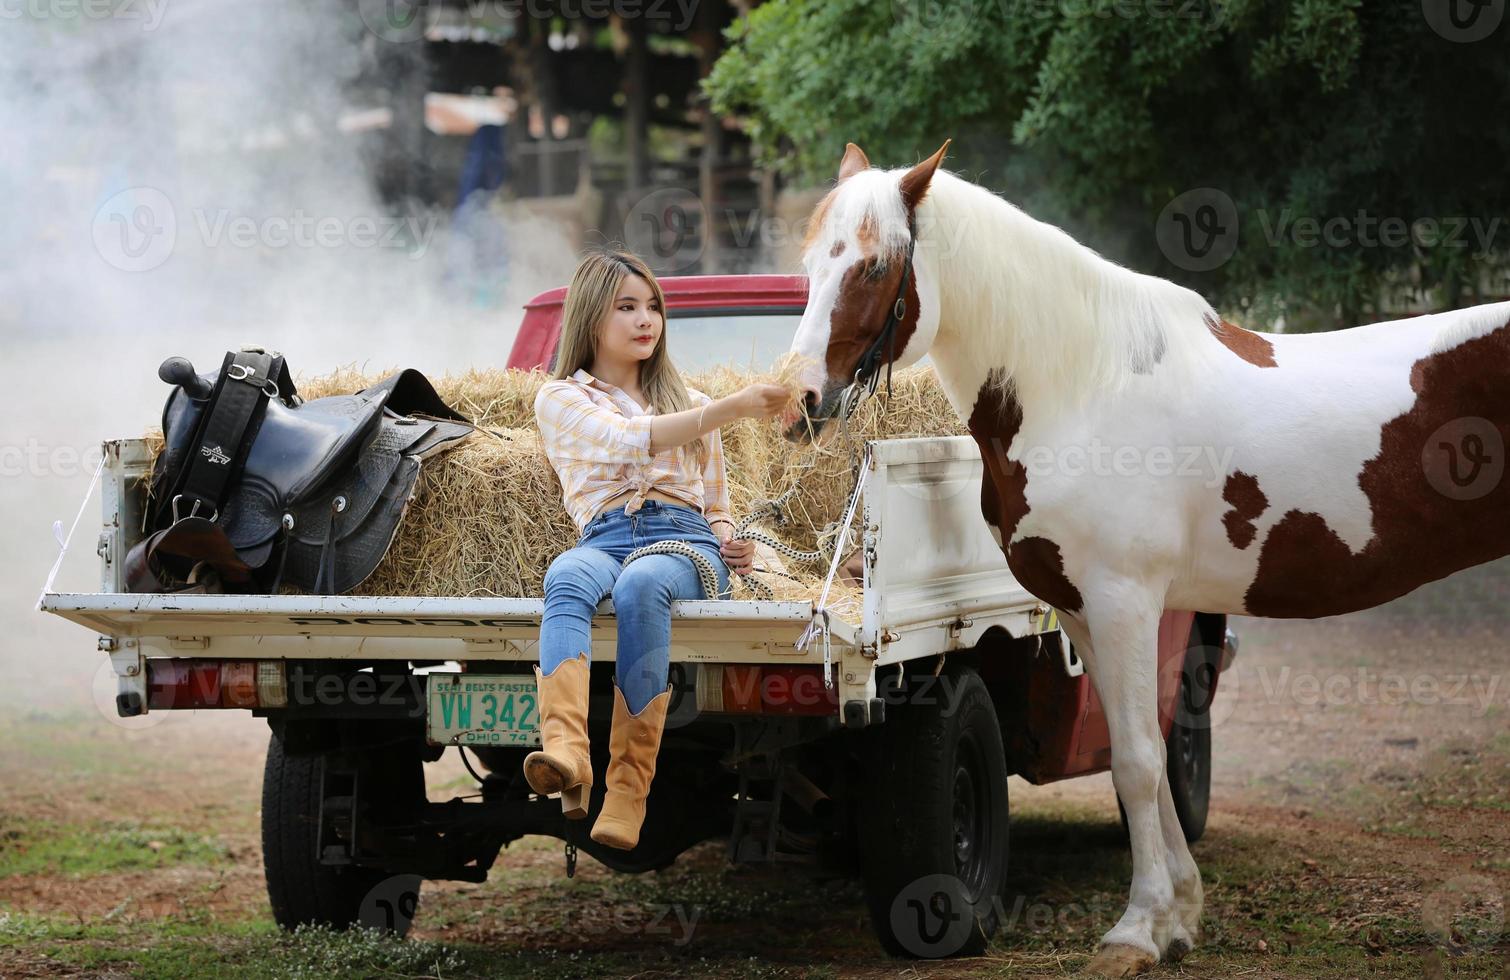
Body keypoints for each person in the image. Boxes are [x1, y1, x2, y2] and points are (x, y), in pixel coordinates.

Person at [526, 249, 790, 850]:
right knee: (565, 575)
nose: (646, 320)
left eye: (652, 307)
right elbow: (626, 442)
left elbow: (716, 503)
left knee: (642, 586)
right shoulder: (562, 399)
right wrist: (730, 407)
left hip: (682, 540)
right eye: (627, 307)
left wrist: (731, 540)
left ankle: (627, 791)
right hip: (605, 535)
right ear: (592, 317)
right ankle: (566, 752)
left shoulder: (689, 399)